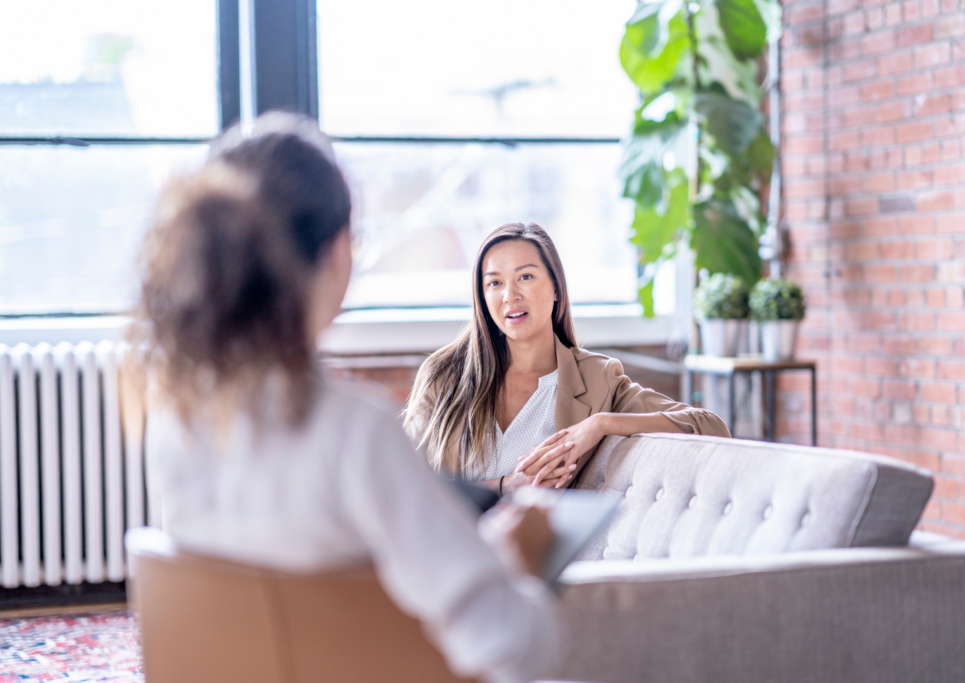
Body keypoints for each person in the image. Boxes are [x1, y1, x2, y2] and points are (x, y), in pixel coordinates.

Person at [134, 114, 558, 683]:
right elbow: (515, 644)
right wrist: (516, 563)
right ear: (337, 252)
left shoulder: (176, 419)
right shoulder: (355, 431)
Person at [404, 222, 730, 493]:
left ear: (556, 287)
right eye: (495, 283)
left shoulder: (596, 378)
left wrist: (601, 423)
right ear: (483, 296)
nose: (510, 295)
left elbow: (710, 427)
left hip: (542, 560)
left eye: (526, 277)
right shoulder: (443, 375)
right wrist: (506, 486)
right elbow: (404, 485)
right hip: (451, 553)